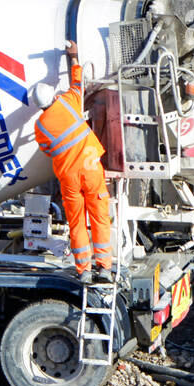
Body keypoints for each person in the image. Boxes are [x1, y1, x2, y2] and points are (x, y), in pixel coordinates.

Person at [31, 39, 112, 283]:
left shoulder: (40, 126)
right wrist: (73, 57)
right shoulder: (68, 102)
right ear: (53, 97)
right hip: (90, 169)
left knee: (77, 222)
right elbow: (78, 82)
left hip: (69, 177)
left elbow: (47, 150)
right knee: (99, 217)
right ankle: (105, 268)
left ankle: (84, 270)